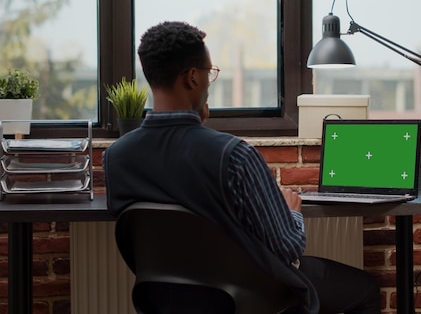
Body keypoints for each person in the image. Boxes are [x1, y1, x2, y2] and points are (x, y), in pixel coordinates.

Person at [104, 21, 381, 314]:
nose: (209, 83)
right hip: (251, 298)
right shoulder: (233, 155)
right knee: (364, 290)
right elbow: (288, 247)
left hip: (167, 299)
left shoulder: (117, 158)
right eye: (209, 73)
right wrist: (291, 213)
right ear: (192, 78)